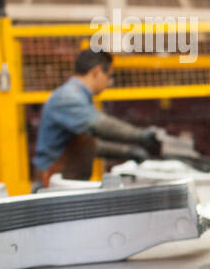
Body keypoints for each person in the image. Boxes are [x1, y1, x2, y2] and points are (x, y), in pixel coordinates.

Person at [32, 49, 162, 186]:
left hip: (63, 181)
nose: (110, 82)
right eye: (109, 76)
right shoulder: (68, 97)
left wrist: (129, 151)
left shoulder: (81, 98)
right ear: (97, 72)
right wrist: (140, 135)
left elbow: (88, 145)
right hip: (52, 182)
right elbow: (98, 125)